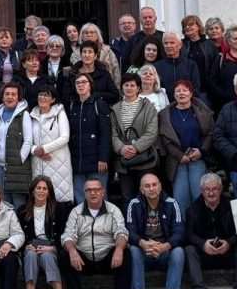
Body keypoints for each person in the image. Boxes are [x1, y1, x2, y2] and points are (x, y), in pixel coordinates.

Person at [60, 178, 131, 289]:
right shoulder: (76, 212)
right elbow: (68, 235)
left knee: (126, 252)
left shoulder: (113, 210)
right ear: (84, 193)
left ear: (103, 192)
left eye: (96, 189)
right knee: (65, 255)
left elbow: (121, 232)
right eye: (89, 190)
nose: (93, 193)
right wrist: (72, 250)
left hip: (108, 259)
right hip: (83, 260)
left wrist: (119, 249)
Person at [123, 173, 185, 289]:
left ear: (160, 186)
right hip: (144, 252)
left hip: (164, 252)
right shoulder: (134, 204)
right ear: (141, 189)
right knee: (133, 250)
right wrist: (143, 243)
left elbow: (180, 231)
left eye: (154, 185)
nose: (151, 188)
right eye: (147, 186)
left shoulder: (171, 203)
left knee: (179, 252)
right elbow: (129, 231)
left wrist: (165, 246)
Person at [183, 172, 237, 289]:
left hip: (227, 253)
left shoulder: (232, 206)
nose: (211, 193)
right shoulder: (192, 209)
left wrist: (229, 243)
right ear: (202, 191)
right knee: (189, 250)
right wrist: (203, 244)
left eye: (215, 189)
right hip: (205, 255)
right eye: (207, 189)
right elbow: (188, 235)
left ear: (221, 189)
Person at [17, 177, 68, 289]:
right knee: (30, 255)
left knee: (47, 256)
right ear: (32, 191)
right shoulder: (22, 210)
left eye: (44, 188)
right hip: (31, 246)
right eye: (38, 188)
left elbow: (64, 232)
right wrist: (26, 246)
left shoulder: (59, 209)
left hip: (51, 246)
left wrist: (53, 247)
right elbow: (18, 233)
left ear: (49, 192)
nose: (41, 191)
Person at [159, 80, 213, 206]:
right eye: (178, 91)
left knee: (198, 195)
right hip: (177, 161)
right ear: (174, 94)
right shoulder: (166, 114)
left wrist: (201, 151)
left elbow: (210, 133)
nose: (181, 93)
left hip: (197, 158)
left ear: (191, 93)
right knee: (180, 198)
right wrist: (179, 155)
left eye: (184, 90)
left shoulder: (202, 111)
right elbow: (165, 138)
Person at [111, 73, 160, 201]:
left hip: (144, 161)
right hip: (124, 162)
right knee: (127, 198)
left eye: (132, 85)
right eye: (126, 85)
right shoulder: (115, 109)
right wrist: (121, 148)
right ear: (122, 87)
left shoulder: (148, 107)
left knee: (147, 197)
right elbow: (113, 133)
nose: (129, 88)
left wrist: (135, 148)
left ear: (138, 88)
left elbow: (152, 132)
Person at [0, 82, 32, 209]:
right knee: (3, 205)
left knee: (18, 205)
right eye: (7, 94)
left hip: (17, 168)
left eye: (13, 94)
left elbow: (28, 141)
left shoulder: (24, 114)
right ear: (2, 96)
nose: (10, 97)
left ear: (18, 97)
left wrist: (19, 159)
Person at [66, 72, 111, 204]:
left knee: (99, 198)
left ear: (90, 85)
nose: (80, 85)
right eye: (77, 83)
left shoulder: (99, 104)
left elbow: (105, 133)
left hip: (96, 161)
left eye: (83, 82)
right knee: (80, 198)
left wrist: (103, 158)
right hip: (77, 161)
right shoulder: (72, 105)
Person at [28, 86, 73, 204]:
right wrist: (34, 150)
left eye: (46, 95)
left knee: (59, 199)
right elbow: (27, 140)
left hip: (58, 162)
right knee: (41, 200)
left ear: (53, 100)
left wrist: (44, 149)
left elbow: (65, 137)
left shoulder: (59, 113)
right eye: (40, 94)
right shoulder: (32, 115)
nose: (42, 97)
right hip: (38, 162)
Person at [208, 26, 237, 110]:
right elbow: (213, 82)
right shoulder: (221, 59)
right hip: (226, 105)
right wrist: (224, 95)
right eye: (235, 39)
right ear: (229, 41)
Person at [65, 40, 119, 105]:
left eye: (90, 52)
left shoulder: (104, 74)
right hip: (79, 108)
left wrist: (96, 96)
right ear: (81, 55)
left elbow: (115, 95)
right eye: (84, 52)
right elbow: (67, 96)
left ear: (95, 56)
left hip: (99, 109)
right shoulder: (73, 73)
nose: (87, 55)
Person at [181, 14, 217, 87]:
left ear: (198, 26)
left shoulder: (209, 44)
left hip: (207, 85)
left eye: (191, 24)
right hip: (187, 85)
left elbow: (215, 65)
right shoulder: (181, 45)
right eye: (185, 26)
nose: (187, 27)